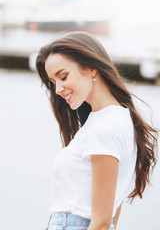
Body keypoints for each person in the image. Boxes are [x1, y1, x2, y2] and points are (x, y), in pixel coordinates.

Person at [36, 31, 158, 230]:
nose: (57, 89)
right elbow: (111, 214)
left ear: (92, 68)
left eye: (63, 76)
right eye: (53, 82)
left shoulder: (105, 127)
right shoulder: (117, 119)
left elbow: (101, 222)